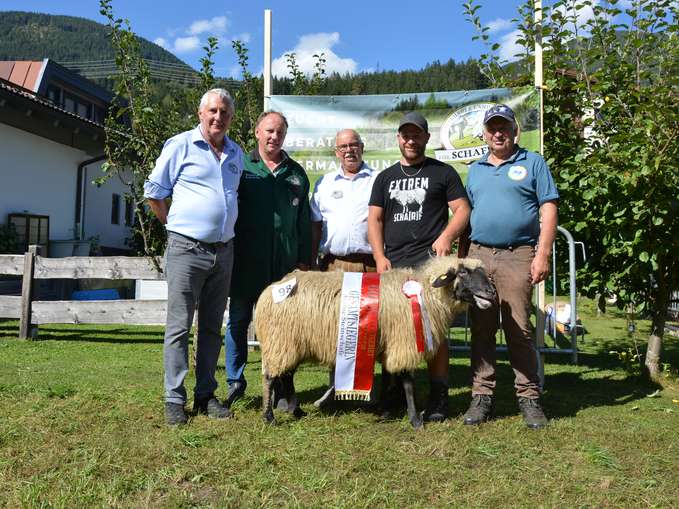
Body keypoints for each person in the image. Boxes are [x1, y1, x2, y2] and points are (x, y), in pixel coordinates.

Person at [144, 88, 244, 426]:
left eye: (225, 113)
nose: (218, 117)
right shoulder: (180, 145)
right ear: (201, 113)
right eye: (213, 111)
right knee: (178, 327)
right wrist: (174, 225)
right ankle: (174, 398)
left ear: (231, 118)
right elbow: (155, 194)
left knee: (212, 329)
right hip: (187, 249)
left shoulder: (235, 153)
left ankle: (205, 395)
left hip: (224, 251)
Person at [367, 111, 471, 422]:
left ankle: (439, 397)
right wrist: (378, 257)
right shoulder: (385, 177)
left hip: (430, 268)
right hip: (394, 267)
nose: (411, 140)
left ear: (426, 138)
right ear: (399, 138)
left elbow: (463, 209)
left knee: (434, 334)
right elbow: (374, 218)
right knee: (392, 332)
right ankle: (395, 392)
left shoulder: (443, 173)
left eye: (417, 135)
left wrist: (447, 236)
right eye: (406, 135)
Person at [461, 104, 558, 429]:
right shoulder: (475, 169)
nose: (498, 133)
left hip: (518, 255)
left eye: (504, 127)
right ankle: (481, 396)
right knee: (482, 329)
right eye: (492, 128)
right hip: (479, 256)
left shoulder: (533, 162)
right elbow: (466, 215)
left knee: (519, 329)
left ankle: (529, 398)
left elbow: (548, 208)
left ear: (515, 131)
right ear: (485, 134)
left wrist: (542, 253)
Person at [224, 111, 312, 405]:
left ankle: (282, 385)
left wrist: (303, 260)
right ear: (258, 133)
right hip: (245, 263)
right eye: (269, 131)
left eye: (280, 133)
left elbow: (303, 221)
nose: (274, 137)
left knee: (285, 327)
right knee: (238, 321)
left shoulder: (297, 173)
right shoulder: (240, 167)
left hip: (283, 269)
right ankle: (235, 382)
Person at [310, 128, 377, 407]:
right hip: (333, 266)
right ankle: (335, 388)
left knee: (369, 330)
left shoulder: (377, 180)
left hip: (368, 266)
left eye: (354, 145)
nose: (349, 150)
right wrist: (313, 261)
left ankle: (366, 390)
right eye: (343, 147)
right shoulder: (324, 183)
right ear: (336, 152)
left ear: (362, 147)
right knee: (335, 330)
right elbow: (315, 224)